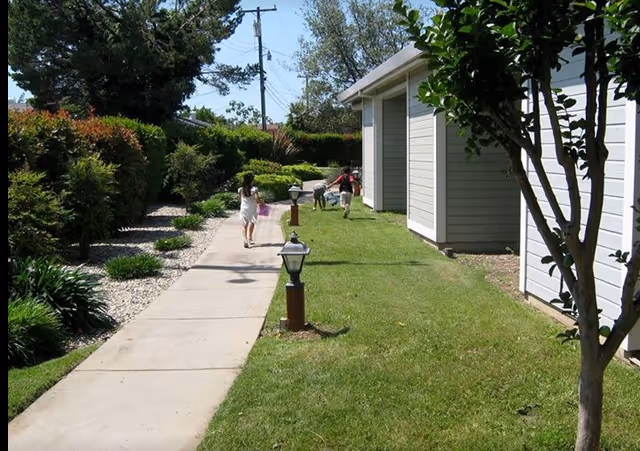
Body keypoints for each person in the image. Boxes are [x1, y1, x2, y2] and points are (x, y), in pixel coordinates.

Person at [237, 173, 263, 248]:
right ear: (251, 180)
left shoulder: (241, 189)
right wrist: (262, 202)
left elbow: (239, 198)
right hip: (252, 208)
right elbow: (257, 199)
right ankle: (250, 238)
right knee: (252, 222)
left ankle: (245, 239)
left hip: (244, 208)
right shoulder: (254, 189)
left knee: (244, 224)